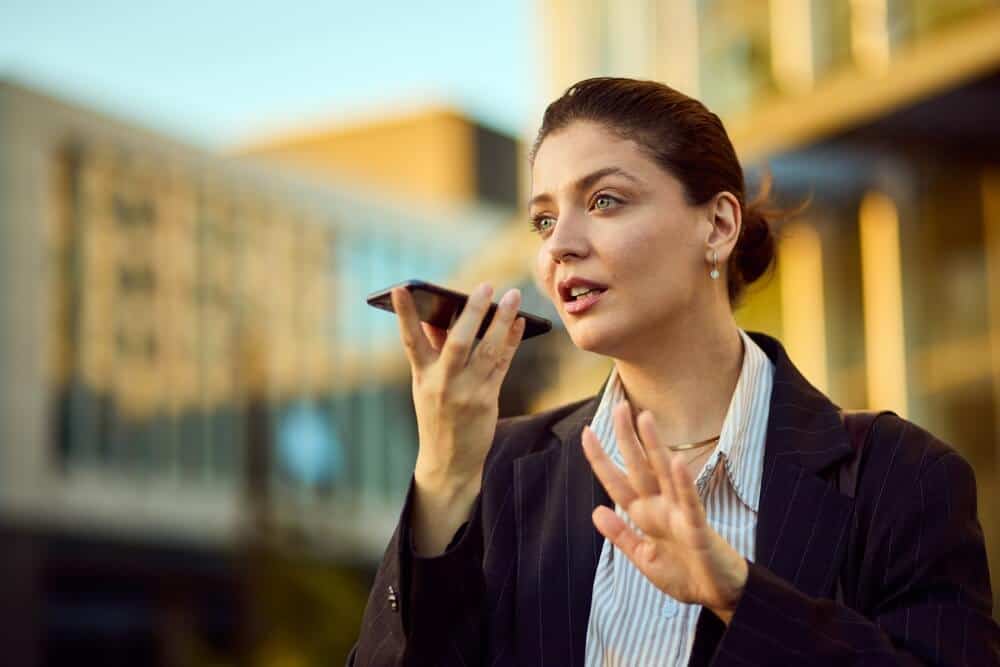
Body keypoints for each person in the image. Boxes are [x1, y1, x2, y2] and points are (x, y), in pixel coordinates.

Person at [347, 77, 999, 666]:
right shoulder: (499, 475)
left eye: (603, 200)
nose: (559, 244)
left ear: (717, 225)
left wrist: (739, 594)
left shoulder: (902, 477)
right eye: (543, 218)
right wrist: (440, 474)